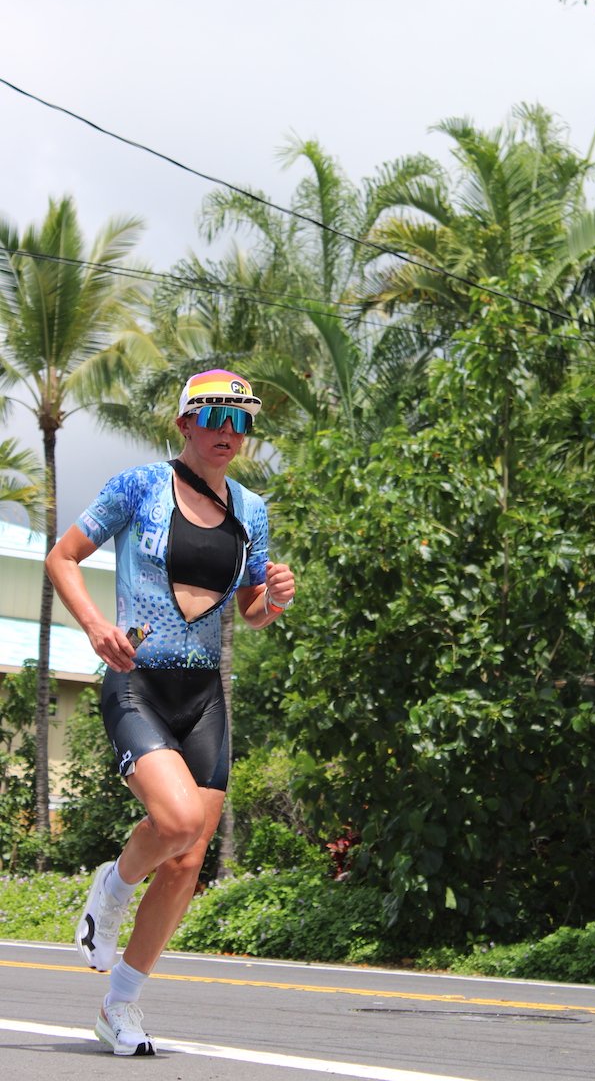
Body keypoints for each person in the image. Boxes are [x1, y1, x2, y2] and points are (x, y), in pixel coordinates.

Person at [46, 369, 295, 1057]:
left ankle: (120, 1006)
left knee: (187, 863)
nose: (227, 434)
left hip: (203, 695)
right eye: (214, 419)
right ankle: (114, 884)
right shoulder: (139, 488)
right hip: (138, 682)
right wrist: (98, 627)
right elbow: (62, 558)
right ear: (184, 423)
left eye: (240, 422)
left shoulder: (253, 509)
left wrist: (273, 596)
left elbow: (250, 615)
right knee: (177, 821)